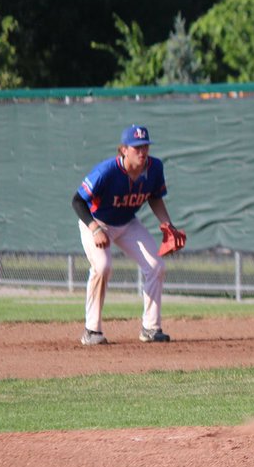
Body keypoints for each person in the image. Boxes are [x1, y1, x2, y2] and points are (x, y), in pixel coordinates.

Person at [72, 124, 179, 345]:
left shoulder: (155, 168)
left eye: (145, 146)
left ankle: (150, 328)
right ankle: (92, 330)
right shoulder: (107, 171)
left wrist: (167, 224)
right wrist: (95, 228)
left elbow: (155, 196)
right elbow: (78, 201)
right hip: (96, 222)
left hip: (127, 222)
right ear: (123, 149)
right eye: (136, 147)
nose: (142, 152)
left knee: (156, 266)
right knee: (102, 266)